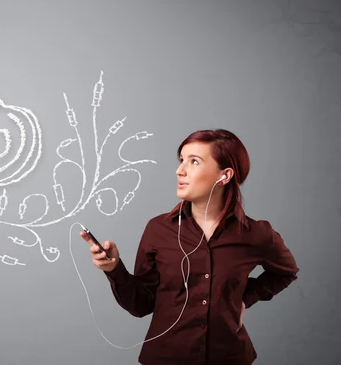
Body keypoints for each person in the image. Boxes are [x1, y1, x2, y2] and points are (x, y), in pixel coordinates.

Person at [80, 129, 299, 365]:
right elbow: (141, 305)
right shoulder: (158, 229)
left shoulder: (256, 234)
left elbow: (286, 272)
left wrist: (245, 299)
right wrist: (114, 269)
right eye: (181, 160)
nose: (179, 170)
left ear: (223, 176)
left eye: (194, 161)